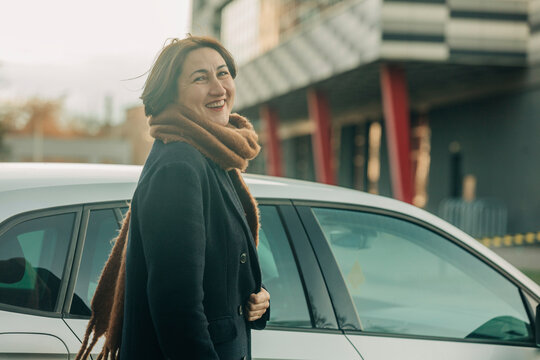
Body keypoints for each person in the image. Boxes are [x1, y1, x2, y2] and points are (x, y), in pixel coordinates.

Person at [76, 35, 270, 360]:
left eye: (223, 73)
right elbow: (176, 307)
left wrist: (257, 301)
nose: (219, 88)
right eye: (200, 78)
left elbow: (219, 278)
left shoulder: (211, 158)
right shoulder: (179, 167)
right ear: (171, 93)